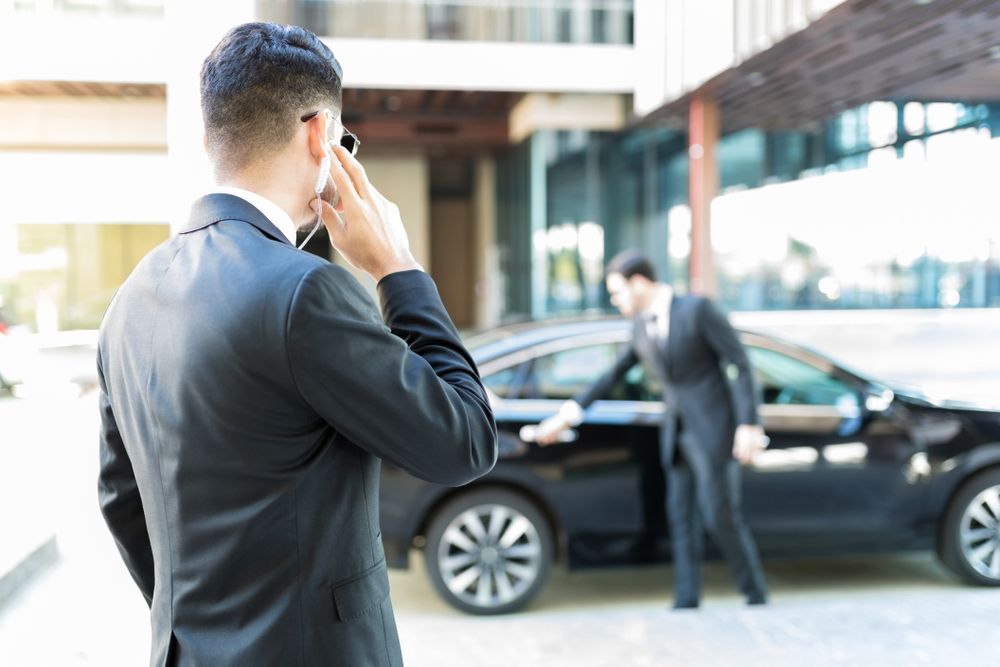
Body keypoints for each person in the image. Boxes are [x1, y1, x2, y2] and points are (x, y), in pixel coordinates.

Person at [97, 22, 497, 666]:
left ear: (209, 141)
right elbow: (465, 442)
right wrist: (399, 272)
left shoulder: (130, 299)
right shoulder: (306, 292)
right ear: (320, 135)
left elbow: (122, 499)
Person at [534, 249, 769, 609]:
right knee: (679, 516)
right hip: (674, 434)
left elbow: (740, 362)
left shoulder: (697, 311)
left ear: (639, 283)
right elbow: (612, 375)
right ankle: (687, 598)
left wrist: (749, 423)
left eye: (617, 292)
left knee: (719, 515)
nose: (614, 300)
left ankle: (754, 590)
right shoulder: (640, 324)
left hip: (713, 430)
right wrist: (568, 414)